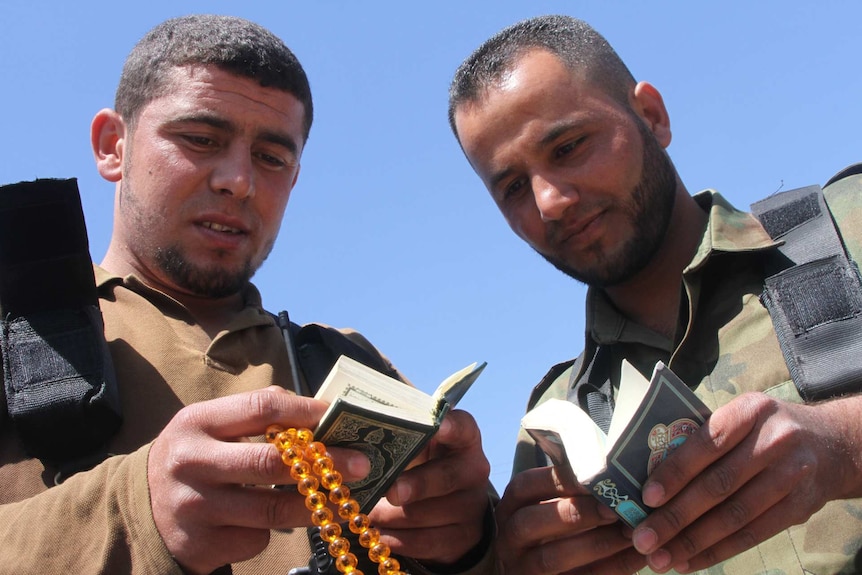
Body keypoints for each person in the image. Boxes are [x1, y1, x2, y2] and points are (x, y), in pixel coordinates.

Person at [0, 14, 495, 575]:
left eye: (272, 158)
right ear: (113, 145)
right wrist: (133, 513)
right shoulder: (16, 336)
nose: (239, 180)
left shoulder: (348, 363)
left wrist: (471, 540)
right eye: (200, 140)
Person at [448, 14, 862, 575]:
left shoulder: (848, 228)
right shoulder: (553, 430)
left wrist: (842, 446)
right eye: (514, 187)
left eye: (568, 147)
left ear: (652, 116)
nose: (549, 202)